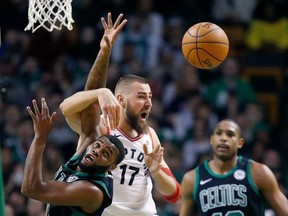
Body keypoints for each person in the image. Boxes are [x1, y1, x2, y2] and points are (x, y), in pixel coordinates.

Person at [60, 13, 181, 215]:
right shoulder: (101, 129)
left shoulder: (150, 135)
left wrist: (157, 172)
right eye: (141, 96)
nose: (149, 103)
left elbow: (174, 194)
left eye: (150, 97)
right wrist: (100, 91)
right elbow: (66, 107)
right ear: (121, 100)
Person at [21, 97, 125, 216]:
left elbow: (31, 189)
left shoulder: (91, 191)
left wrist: (40, 137)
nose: (97, 151)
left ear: (111, 167)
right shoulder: (84, 157)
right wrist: (99, 93)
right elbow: (90, 110)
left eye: (106, 154)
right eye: (97, 145)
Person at [180, 119, 288, 216]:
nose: (223, 138)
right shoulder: (192, 179)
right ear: (211, 140)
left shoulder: (258, 172)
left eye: (230, 134)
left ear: (240, 143)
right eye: (218, 134)